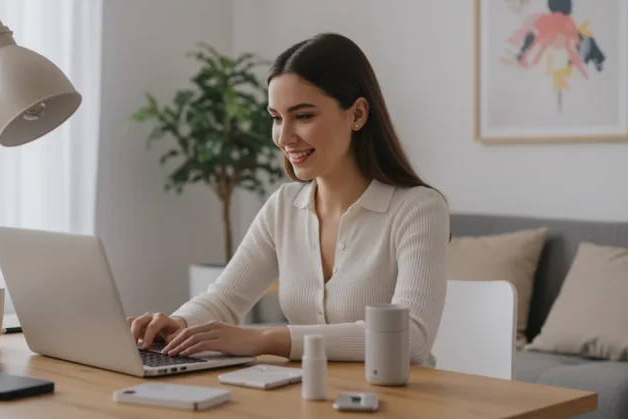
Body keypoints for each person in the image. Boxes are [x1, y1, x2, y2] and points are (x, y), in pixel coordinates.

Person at [128, 32, 450, 366]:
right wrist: (179, 324)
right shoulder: (283, 207)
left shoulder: (418, 209)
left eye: (303, 116)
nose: (283, 137)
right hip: (305, 396)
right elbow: (224, 301)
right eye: (276, 118)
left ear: (357, 114)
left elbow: (410, 338)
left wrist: (265, 338)